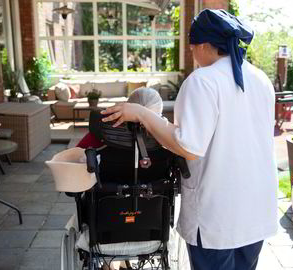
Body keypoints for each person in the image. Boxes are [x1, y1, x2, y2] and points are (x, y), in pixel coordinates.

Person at [100, 9, 278, 270]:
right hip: (257, 209)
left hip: (218, 213)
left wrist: (141, 114)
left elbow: (188, 147)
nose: (193, 54)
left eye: (193, 47)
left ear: (205, 46)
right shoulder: (260, 79)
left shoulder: (203, 81)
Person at [76, 87, 163, 149]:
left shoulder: (104, 128)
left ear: (127, 106)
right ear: (159, 113)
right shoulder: (168, 137)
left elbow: (77, 152)